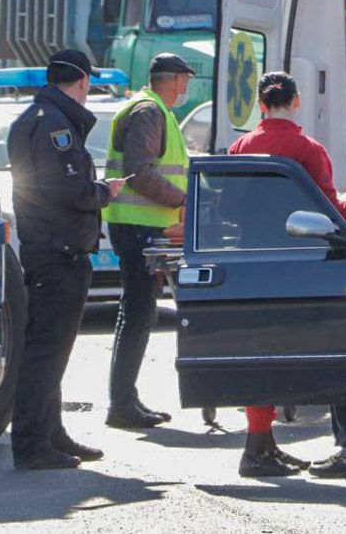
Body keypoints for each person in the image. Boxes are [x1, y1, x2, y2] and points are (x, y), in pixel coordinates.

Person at [227, 72, 346, 477]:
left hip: (251, 263)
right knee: (325, 349)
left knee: (262, 352)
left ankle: (259, 445)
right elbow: (333, 215)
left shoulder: (240, 146)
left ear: (259, 104)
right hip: (299, 263)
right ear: (296, 102)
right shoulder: (307, 149)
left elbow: (229, 208)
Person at [8, 50, 127, 469]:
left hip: (49, 248)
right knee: (46, 350)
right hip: (57, 252)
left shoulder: (38, 117)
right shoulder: (56, 126)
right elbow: (70, 191)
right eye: (89, 84)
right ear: (81, 82)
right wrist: (105, 193)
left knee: (51, 348)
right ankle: (31, 442)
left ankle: (50, 433)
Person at [102, 53, 193, 428]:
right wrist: (183, 200)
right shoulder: (149, 111)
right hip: (140, 228)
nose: (186, 87)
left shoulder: (154, 110)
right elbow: (140, 172)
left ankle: (124, 401)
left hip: (140, 226)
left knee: (137, 313)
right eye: (184, 80)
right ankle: (122, 405)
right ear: (173, 80)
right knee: (138, 314)